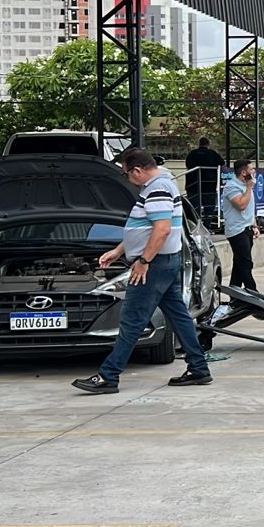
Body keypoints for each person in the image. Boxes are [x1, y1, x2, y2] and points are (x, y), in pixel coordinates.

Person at [73, 147, 212, 394]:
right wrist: (118, 251)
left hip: (154, 264)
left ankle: (109, 376)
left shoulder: (157, 189)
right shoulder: (163, 182)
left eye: (127, 174)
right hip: (165, 262)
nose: (128, 179)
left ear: (137, 170)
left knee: (132, 319)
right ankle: (198, 368)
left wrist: (143, 261)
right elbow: (145, 228)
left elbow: (161, 230)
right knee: (179, 316)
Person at [220, 158, 259, 291]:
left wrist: (254, 225)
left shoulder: (247, 186)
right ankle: (253, 292)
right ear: (243, 172)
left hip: (247, 228)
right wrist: (248, 188)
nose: (254, 171)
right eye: (251, 169)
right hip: (237, 230)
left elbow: (249, 208)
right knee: (245, 263)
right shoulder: (232, 186)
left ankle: (234, 293)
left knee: (238, 265)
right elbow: (241, 205)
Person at [184, 137, 223, 223]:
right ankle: (207, 225)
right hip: (209, 185)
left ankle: (194, 224)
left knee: (194, 208)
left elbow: (187, 164)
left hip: (193, 185)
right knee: (209, 207)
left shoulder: (192, 154)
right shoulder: (212, 154)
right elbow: (222, 163)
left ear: (199, 143)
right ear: (208, 144)